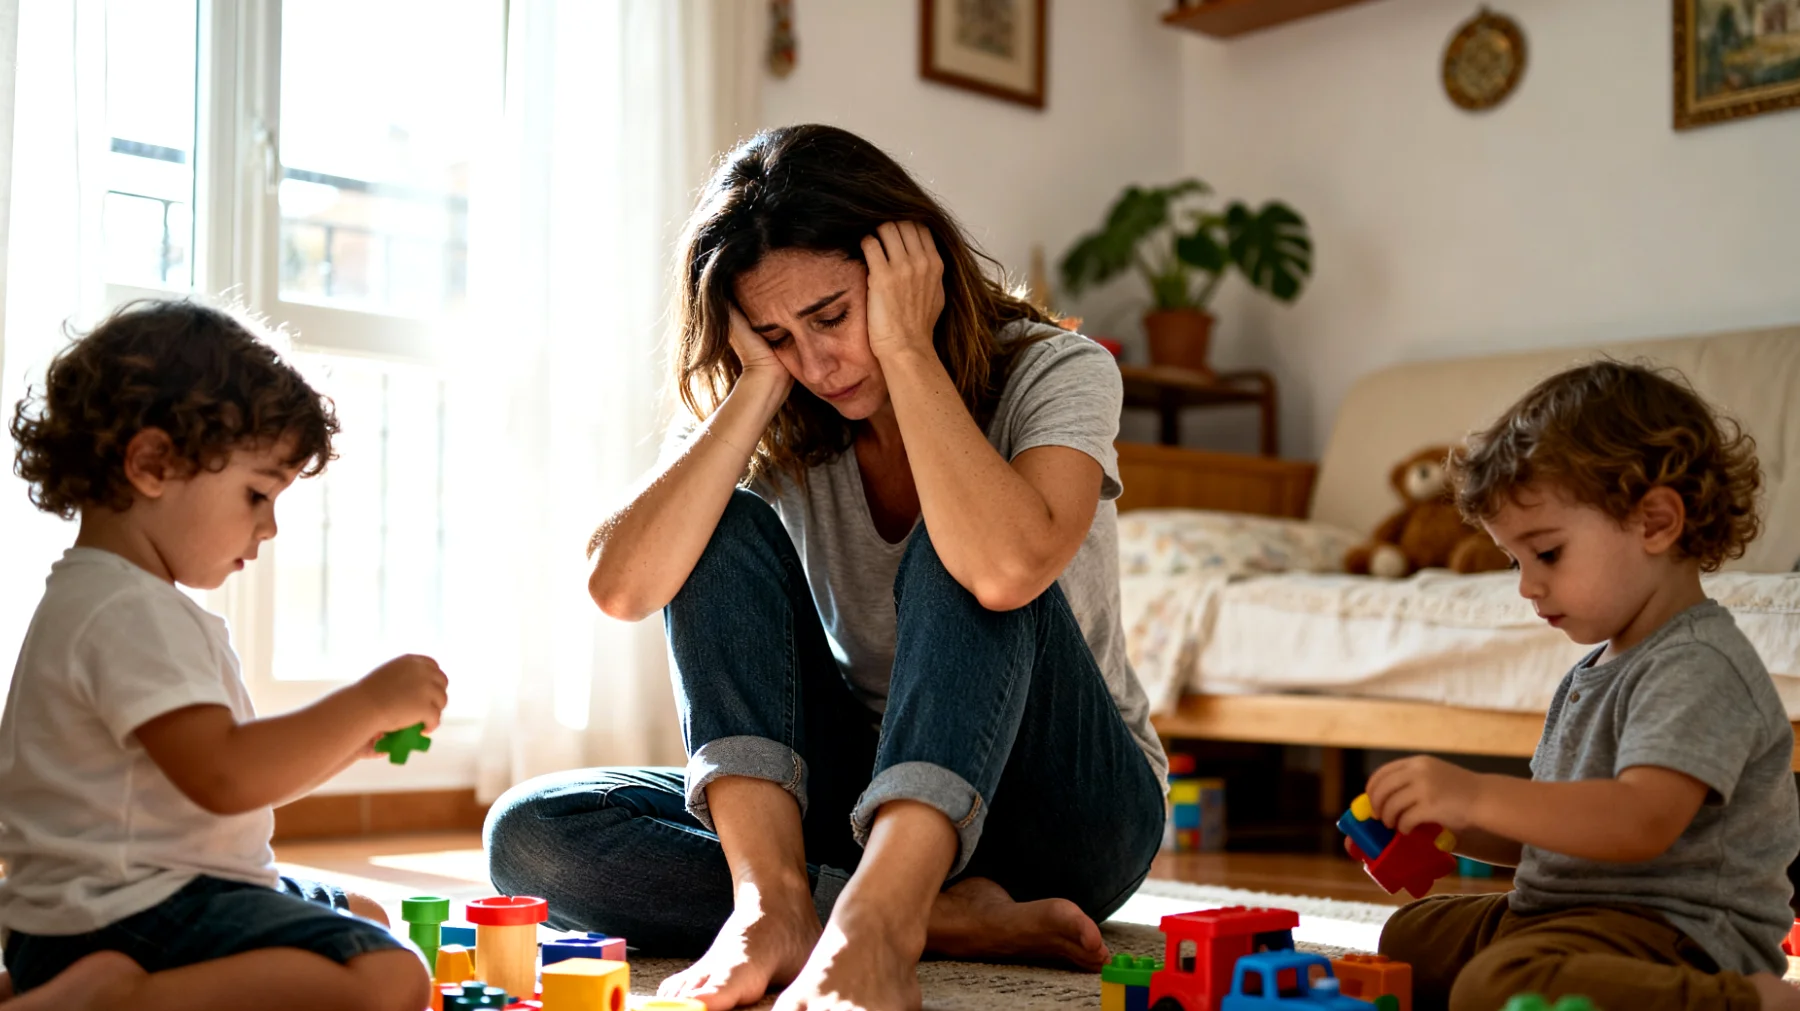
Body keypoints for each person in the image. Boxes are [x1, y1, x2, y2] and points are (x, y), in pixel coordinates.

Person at [483, 124, 1167, 1011]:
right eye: (776, 334)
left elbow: (1006, 570)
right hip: (864, 793)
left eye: (832, 317)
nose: (817, 363)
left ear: (908, 269)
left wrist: (910, 351)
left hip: (1067, 808)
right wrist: (756, 387)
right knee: (536, 837)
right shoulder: (785, 400)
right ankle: (799, 906)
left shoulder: (1054, 369)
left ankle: (877, 923)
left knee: (958, 540)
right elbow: (622, 585)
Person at [0, 300, 449, 1011]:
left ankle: (45, 987)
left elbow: (222, 792)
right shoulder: (128, 610)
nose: (269, 527)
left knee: (364, 910)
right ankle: (117, 998)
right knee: (391, 976)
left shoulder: (107, 596)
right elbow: (226, 773)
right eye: (256, 493)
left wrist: (346, 742)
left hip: (88, 914)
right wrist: (364, 701)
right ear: (152, 462)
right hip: (122, 918)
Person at [1369, 360, 1800, 1011]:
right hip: (1569, 914)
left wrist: (1479, 792)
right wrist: (1448, 824)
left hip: (1674, 934)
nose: (1526, 584)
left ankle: (1750, 1001)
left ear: (1655, 522)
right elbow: (1555, 833)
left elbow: (1639, 821)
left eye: (1546, 553)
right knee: (1409, 940)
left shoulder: (1699, 664)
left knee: (1495, 985)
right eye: (1514, 560)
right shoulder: (1592, 671)